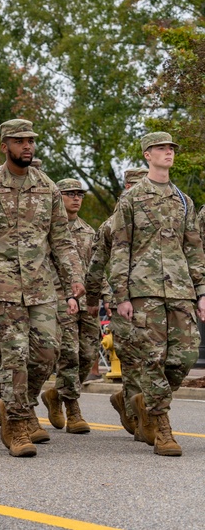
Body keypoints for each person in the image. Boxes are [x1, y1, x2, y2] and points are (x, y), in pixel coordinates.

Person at [0, 119, 84, 458]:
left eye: (30, 140)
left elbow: (61, 239)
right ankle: (15, 425)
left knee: (46, 353)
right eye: (19, 141)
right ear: (5, 146)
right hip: (0, 285)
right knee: (15, 355)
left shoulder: (47, 187)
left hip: (41, 286)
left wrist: (74, 277)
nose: (27, 146)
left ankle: (22, 405)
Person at [107, 132, 205, 457]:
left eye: (171, 149)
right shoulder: (132, 199)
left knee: (185, 356)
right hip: (143, 291)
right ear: (147, 155)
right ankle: (162, 427)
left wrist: (201, 291)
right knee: (152, 358)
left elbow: (193, 249)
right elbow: (120, 248)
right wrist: (120, 293)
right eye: (162, 149)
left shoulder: (183, 200)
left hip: (180, 290)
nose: (168, 153)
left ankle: (144, 402)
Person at [85, 167, 148, 435]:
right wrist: (97, 296)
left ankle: (127, 401)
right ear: (125, 189)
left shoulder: (158, 219)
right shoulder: (111, 225)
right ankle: (140, 418)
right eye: (133, 186)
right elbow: (97, 264)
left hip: (158, 298)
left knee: (164, 359)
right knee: (133, 359)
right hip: (125, 300)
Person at [41, 179, 97, 434]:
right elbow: (48, 267)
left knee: (87, 355)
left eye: (80, 195)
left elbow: (95, 268)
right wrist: (65, 295)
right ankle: (73, 408)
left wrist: (98, 297)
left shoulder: (88, 231)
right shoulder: (50, 229)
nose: (76, 198)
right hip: (60, 299)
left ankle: (56, 394)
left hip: (86, 302)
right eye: (70, 194)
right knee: (69, 354)